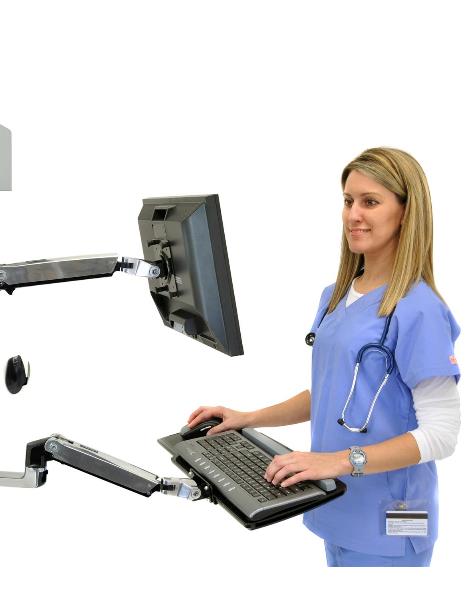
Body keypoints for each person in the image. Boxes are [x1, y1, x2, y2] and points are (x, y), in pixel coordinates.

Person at [187, 147, 461, 567]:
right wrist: (248, 418)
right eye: (348, 201)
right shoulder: (335, 297)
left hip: (390, 522)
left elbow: (442, 434)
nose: (354, 215)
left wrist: (336, 461)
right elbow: (335, 395)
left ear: (406, 212)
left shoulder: (419, 309)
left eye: (370, 202)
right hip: (336, 509)